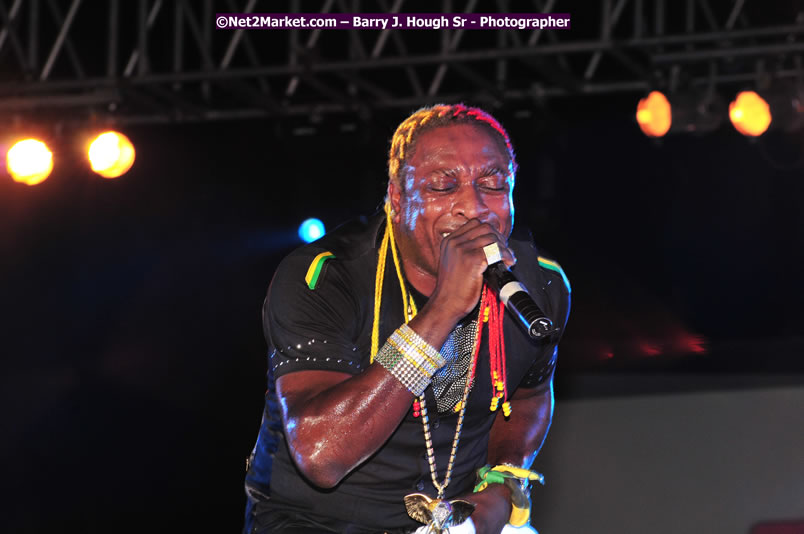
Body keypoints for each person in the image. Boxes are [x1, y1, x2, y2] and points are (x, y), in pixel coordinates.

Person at [243, 103, 571, 534]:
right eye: (442, 186)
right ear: (397, 200)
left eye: (492, 185)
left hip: (450, 520)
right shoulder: (325, 276)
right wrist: (445, 308)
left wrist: (504, 479)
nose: (472, 207)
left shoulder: (541, 284)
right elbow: (322, 457)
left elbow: (530, 394)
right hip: (317, 522)